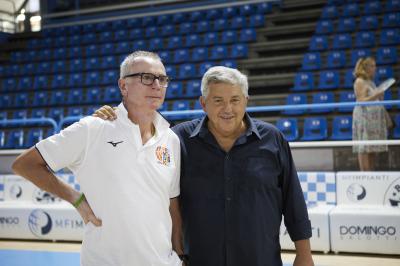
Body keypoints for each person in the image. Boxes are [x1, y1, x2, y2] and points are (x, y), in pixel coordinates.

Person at [95, 66, 314, 266]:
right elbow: (141, 157)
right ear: (203, 103)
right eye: (218, 100)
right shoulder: (176, 139)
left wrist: (304, 254)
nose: (227, 108)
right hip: (198, 259)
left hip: (260, 259)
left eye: (235, 100)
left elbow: (292, 199)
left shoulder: (272, 139)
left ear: (246, 100)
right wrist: (114, 120)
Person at [12, 51, 186, 266]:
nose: (157, 85)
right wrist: (76, 199)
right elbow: (25, 165)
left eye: (162, 79)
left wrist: (181, 255)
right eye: (147, 77)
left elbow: (172, 204)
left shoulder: (170, 138)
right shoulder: (93, 128)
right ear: (123, 86)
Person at [352, 57, 391, 171]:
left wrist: (380, 96)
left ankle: (372, 172)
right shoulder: (359, 81)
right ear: (366, 67)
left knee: (372, 146)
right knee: (364, 147)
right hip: (364, 117)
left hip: (373, 119)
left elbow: (374, 98)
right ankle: (365, 173)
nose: (375, 68)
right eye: (373, 66)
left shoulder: (371, 82)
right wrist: (376, 95)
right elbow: (361, 101)